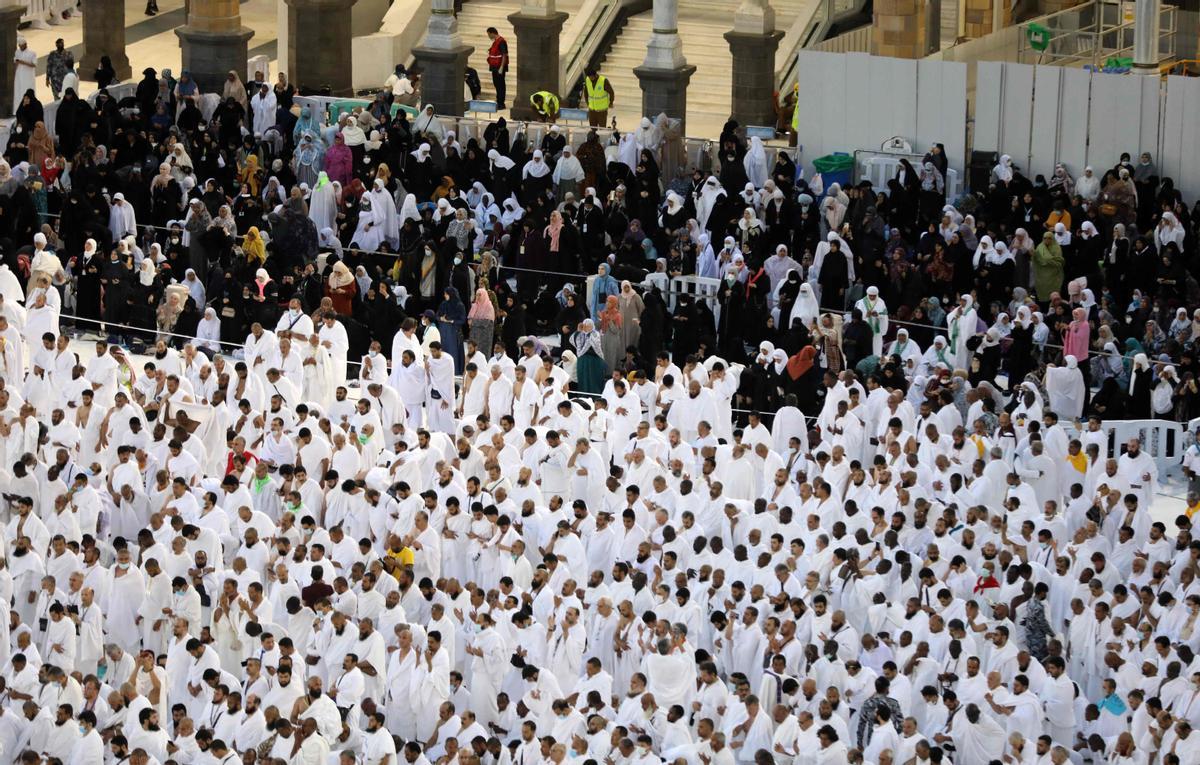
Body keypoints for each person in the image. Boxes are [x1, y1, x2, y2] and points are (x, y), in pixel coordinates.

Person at [485, 27, 509, 109]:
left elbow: (504, 55)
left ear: (492, 33)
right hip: (494, 67)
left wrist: (501, 67)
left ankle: (501, 103)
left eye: (488, 34)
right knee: (496, 84)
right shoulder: (495, 42)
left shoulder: (501, 42)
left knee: (500, 85)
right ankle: (499, 100)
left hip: (499, 67)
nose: (488, 36)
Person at [12, 37, 35, 108]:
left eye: (21, 45)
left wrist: (23, 62)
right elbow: (15, 62)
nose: (20, 47)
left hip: (28, 76)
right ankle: (18, 109)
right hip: (19, 75)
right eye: (19, 46)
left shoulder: (32, 53)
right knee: (18, 92)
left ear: (25, 44)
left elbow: (34, 64)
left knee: (27, 91)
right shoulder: (17, 52)